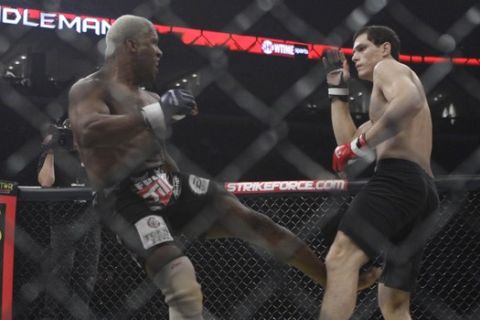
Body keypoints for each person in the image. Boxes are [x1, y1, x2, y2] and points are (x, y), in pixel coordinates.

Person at [68, 15, 378, 319]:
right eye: (154, 43)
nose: (160, 52)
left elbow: (156, 152)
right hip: (125, 198)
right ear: (131, 45)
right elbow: (88, 131)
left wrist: (180, 188)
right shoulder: (90, 88)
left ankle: (328, 279)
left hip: (168, 182)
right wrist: (156, 115)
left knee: (257, 223)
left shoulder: (150, 96)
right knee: (181, 282)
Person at [320, 25, 440, 319]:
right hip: (422, 192)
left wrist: (360, 144)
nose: (355, 56)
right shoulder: (383, 105)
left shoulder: (389, 68)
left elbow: (409, 102)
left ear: (385, 48)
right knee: (394, 302)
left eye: (362, 48)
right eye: (353, 51)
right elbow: (346, 142)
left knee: (340, 258)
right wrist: (337, 88)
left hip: (397, 179)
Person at [37, 119, 101, 320]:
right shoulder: (51, 155)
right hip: (62, 221)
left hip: (89, 221)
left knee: (87, 276)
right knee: (60, 275)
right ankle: (50, 316)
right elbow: (46, 182)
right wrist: (51, 151)